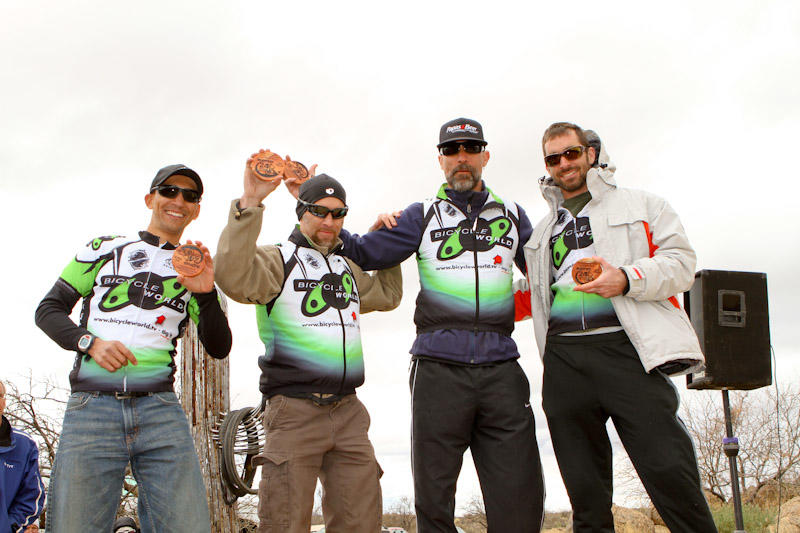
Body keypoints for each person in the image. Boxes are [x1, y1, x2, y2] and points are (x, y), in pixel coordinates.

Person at [337, 119, 545, 532]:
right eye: (452, 151)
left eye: (471, 148)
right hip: (437, 368)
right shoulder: (421, 216)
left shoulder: (514, 215)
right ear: (440, 160)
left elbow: (548, 275)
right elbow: (361, 250)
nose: (461, 158)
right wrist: (321, 216)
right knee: (434, 498)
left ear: (486, 156)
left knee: (519, 496)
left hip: (502, 368)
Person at [515, 122, 716, 532]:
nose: (564, 164)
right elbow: (532, 293)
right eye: (553, 159)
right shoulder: (540, 232)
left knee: (670, 472)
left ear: (590, 153)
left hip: (628, 352)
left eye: (571, 153)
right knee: (585, 496)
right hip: (565, 360)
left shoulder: (644, 206)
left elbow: (681, 266)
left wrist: (626, 277)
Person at [34, 164, 233, 533]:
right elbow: (48, 310)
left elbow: (219, 347)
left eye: (190, 196)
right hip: (92, 407)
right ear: (150, 198)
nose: (179, 200)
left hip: (160, 410)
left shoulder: (194, 269)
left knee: (189, 526)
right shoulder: (105, 248)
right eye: (169, 191)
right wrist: (89, 343)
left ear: (197, 209)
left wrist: (205, 294)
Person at [214, 155, 402, 533]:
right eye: (319, 212)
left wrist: (385, 244)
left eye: (338, 214)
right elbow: (232, 275)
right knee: (285, 524)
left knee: (361, 524)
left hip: (349, 413)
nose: (329, 222)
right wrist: (250, 203)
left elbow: (387, 294)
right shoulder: (277, 260)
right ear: (301, 211)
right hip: (293, 412)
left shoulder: (346, 267)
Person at [0, 380, 45, 533]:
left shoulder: (24, 445)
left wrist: (10, 527)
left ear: (4, 401)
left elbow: (32, 496)